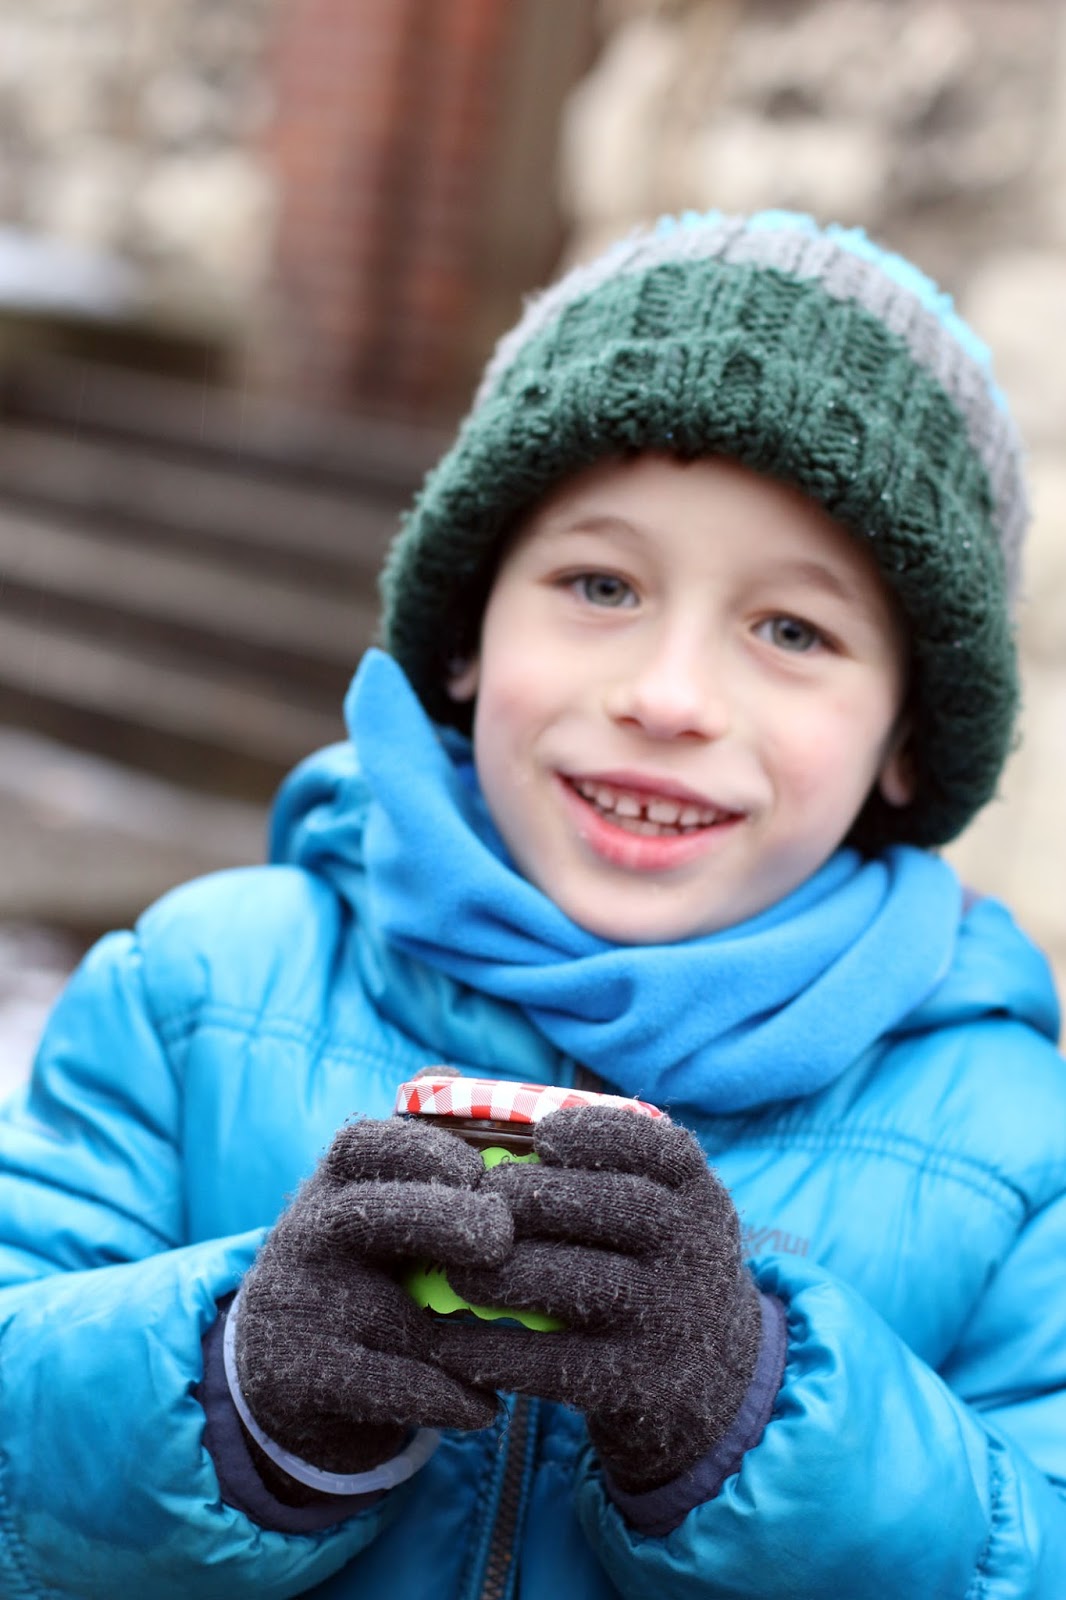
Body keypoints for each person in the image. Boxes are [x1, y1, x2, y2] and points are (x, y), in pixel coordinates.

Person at [1, 210, 1062, 1599]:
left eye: (791, 630)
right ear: (467, 632)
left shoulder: (1011, 1144)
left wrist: (754, 1420)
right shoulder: (192, 992)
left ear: (908, 736)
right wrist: (236, 1394)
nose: (668, 697)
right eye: (600, 584)